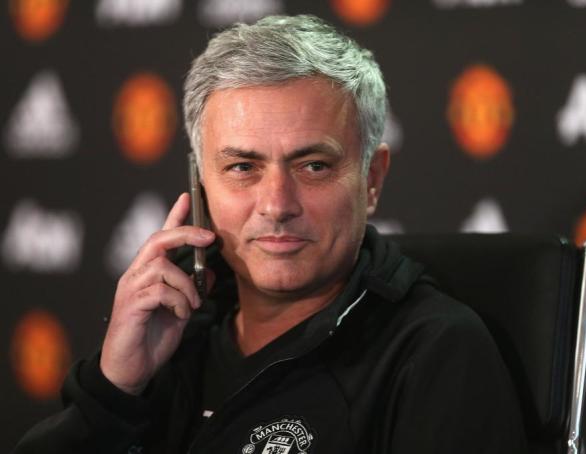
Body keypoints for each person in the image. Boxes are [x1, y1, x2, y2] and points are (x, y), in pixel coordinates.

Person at [14, 14, 527, 453]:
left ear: (372, 179)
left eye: (314, 166)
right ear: (200, 184)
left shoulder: (434, 352)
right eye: (242, 167)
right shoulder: (167, 337)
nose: (277, 205)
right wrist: (113, 392)